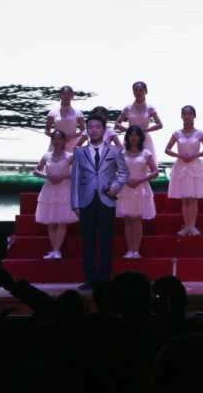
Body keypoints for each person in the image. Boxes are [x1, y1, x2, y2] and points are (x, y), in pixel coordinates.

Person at [70, 113, 129, 290]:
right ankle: (90, 279)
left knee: (106, 240)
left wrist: (114, 188)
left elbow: (124, 172)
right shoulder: (79, 152)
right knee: (87, 241)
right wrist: (75, 204)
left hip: (106, 199)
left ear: (104, 130)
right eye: (90, 127)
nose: (94, 130)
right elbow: (75, 178)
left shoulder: (114, 150)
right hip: (86, 201)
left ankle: (104, 279)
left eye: (97, 127)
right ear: (87, 130)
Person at [165, 105, 203, 236]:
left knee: (193, 198)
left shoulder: (199, 133)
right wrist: (179, 156)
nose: (187, 116)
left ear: (194, 116)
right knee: (184, 198)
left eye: (190, 114)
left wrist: (195, 155)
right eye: (185, 114)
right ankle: (186, 226)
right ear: (181, 116)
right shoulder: (177, 134)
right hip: (181, 166)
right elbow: (167, 149)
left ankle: (192, 226)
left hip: (195, 166)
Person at [116, 125, 158, 259]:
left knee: (137, 219)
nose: (134, 138)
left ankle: (136, 250)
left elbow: (155, 172)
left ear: (141, 137)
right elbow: (115, 170)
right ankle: (130, 250)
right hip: (125, 188)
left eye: (136, 135)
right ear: (127, 137)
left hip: (141, 189)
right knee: (128, 220)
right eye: (131, 135)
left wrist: (140, 179)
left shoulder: (146, 153)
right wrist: (125, 179)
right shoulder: (121, 153)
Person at [33, 130, 77, 259]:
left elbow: (78, 172)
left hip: (64, 189)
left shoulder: (70, 156)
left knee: (62, 221)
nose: (57, 141)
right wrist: (47, 176)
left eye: (59, 139)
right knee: (51, 222)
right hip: (49, 190)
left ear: (64, 141)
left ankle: (57, 250)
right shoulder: (46, 156)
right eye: (54, 139)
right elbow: (36, 171)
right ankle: (54, 250)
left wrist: (63, 176)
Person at [114, 81, 164, 158]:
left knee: (146, 161)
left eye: (141, 90)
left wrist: (145, 130)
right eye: (135, 90)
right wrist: (128, 131)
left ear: (145, 91)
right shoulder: (128, 108)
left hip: (144, 139)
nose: (138, 93)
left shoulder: (150, 108)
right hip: (130, 138)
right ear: (133, 92)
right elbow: (117, 124)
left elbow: (160, 125)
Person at [45, 85, 85, 151]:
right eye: (64, 94)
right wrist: (57, 138)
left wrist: (72, 136)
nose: (66, 96)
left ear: (72, 96)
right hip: (56, 145)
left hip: (72, 144)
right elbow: (47, 130)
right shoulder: (52, 112)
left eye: (68, 94)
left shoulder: (78, 113)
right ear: (60, 96)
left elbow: (83, 131)